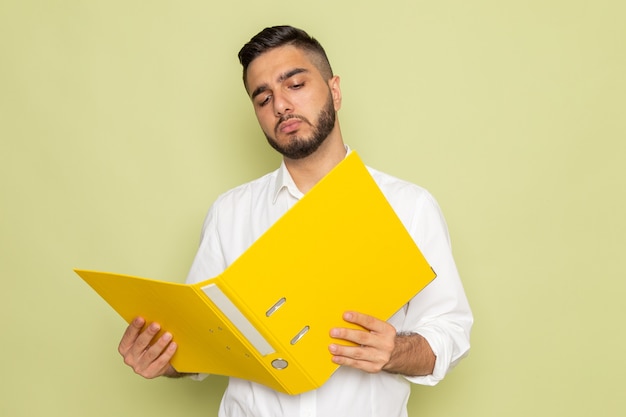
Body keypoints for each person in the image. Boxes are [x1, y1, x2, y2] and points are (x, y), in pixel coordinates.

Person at [118, 25, 473, 417]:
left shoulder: (409, 207)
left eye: (295, 85)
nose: (280, 105)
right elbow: (203, 342)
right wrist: (161, 356)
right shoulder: (230, 213)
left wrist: (395, 350)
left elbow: (451, 332)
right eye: (263, 97)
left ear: (335, 90)